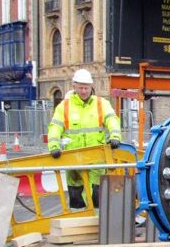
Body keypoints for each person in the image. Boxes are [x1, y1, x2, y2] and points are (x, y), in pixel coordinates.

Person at [47, 69, 121, 209]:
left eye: (86, 87)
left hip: (96, 159)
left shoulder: (101, 104)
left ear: (91, 87)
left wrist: (115, 136)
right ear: (74, 86)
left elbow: (112, 120)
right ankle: (78, 226)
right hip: (73, 160)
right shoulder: (65, 106)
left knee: (97, 195)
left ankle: (98, 226)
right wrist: (54, 146)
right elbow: (55, 127)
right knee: (76, 196)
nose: (83, 91)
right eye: (80, 87)